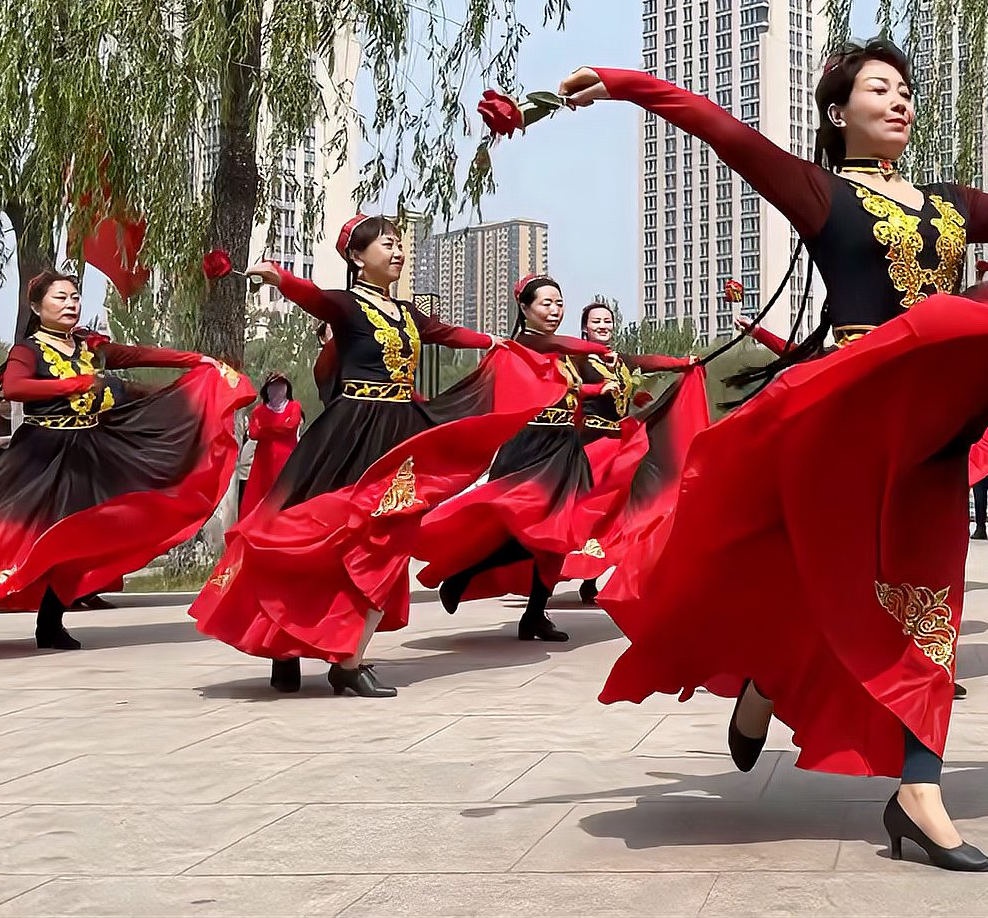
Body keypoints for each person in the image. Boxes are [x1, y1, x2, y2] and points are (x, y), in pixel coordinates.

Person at [553, 42, 988, 870]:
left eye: (906, 90)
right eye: (879, 89)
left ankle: (916, 789)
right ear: (838, 112)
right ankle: (766, 676)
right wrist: (622, 84)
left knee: (930, 593)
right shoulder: (820, 192)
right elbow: (722, 131)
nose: (900, 102)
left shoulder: (951, 205)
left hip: (933, 424)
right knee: (810, 571)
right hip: (847, 415)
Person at [191, 215, 562, 697]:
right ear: (357, 257)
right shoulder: (345, 306)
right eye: (388, 244)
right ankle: (282, 647)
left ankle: (349, 660)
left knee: (387, 540)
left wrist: (502, 344)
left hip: (399, 433)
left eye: (401, 245)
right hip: (347, 434)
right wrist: (279, 277)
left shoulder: (408, 313)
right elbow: (312, 296)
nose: (399, 252)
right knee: (305, 535)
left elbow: (451, 335)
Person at [0, 270, 249, 649]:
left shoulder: (87, 345)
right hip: (38, 455)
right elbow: (15, 387)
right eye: (60, 297)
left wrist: (197, 360)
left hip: (88, 454)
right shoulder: (26, 350)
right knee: (6, 531)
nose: (70, 304)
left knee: (79, 541)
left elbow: (137, 355)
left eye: (75, 297)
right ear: (36, 306)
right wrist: (73, 384)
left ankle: (50, 623)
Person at [414, 278, 696, 642]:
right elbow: (564, 350)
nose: (553, 310)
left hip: (565, 446)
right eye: (546, 303)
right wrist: (595, 350)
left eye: (558, 303)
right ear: (526, 309)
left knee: (562, 535)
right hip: (533, 446)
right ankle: (465, 572)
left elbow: (600, 376)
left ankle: (534, 614)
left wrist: (681, 364)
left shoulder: (568, 354)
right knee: (529, 526)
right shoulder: (528, 342)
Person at [552, 300, 702, 605]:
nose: (603, 326)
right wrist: (595, 391)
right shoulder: (576, 359)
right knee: (586, 509)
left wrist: (683, 362)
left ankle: (592, 577)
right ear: (585, 327)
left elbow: (648, 362)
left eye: (607, 321)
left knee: (618, 511)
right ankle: (555, 570)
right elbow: (561, 387)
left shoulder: (619, 360)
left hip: (618, 443)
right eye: (596, 322)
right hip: (589, 445)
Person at [240, 373, 303, 517]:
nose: (278, 389)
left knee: (285, 498)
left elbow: (291, 426)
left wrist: (266, 429)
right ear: (267, 389)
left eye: (281, 386)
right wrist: (277, 429)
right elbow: (254, 433)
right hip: (263, 463)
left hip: (286, 461)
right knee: (259, 500)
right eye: (274, 386)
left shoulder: (294, 406)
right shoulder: (259, 411)